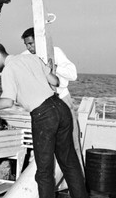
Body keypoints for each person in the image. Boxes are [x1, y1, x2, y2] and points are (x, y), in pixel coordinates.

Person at [0, 42, 94, 198]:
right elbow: (55, 82)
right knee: (69, 159)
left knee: (44, 167)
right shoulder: (31, 58)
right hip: (61, 108)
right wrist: (46, 70)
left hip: (43, 115)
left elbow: (7, 102)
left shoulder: (9, 69)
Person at [21, 27, 84, 168]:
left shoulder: (55, 51)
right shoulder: (25, 56)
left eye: (31, 43)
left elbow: (73, 74)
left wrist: (53, 66)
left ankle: (77, 179)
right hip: (44, 104)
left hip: (62, 99)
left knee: (72, 143)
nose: (29, 47)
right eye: (26, 44)